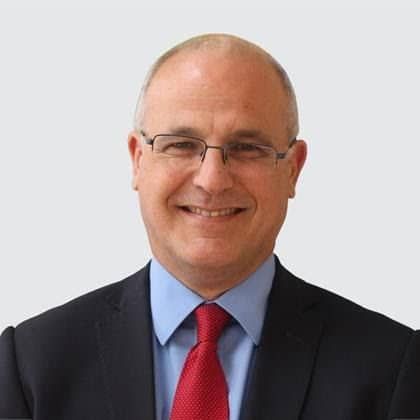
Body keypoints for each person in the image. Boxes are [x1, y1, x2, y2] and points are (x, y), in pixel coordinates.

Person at [0, 33, 419, 420]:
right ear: (137, 159)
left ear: (293, 169)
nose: (212, 180)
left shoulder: (391, 368)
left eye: (247, 148)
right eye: (181, 145)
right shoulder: (30, 366)